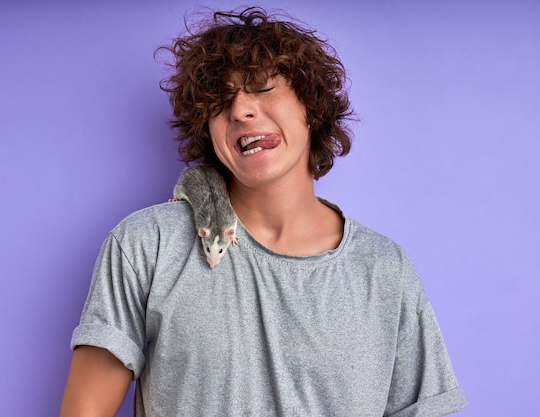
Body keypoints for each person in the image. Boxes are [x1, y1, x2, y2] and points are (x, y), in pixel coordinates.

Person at [60, 7, 467, 417]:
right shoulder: (147, 245)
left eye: (261, 88)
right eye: (220, 102)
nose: (240, 111)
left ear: (310, 107)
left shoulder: (385, 270)